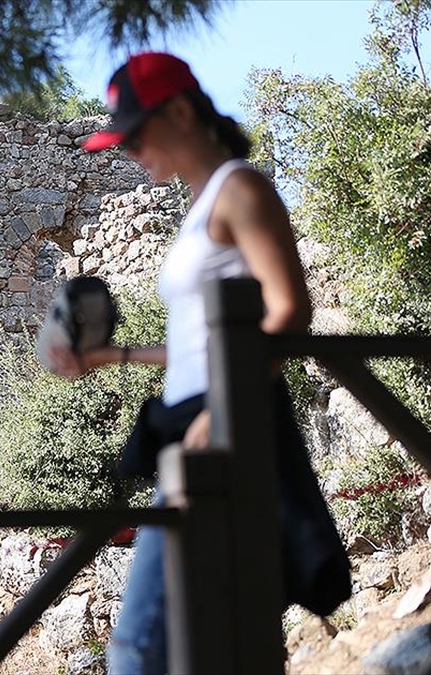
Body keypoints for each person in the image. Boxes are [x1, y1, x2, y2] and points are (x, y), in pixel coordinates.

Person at [45, 52, 348, 674]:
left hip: (223, 435)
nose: (129, 153)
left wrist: (222, 408)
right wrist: (117, 356)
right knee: (223, 636)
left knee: (138, 648)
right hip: (196, 431)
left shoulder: (240, 188)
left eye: (135, 136)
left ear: (181, 111)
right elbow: (206, 345)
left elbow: (289, 310)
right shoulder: (200, 205)